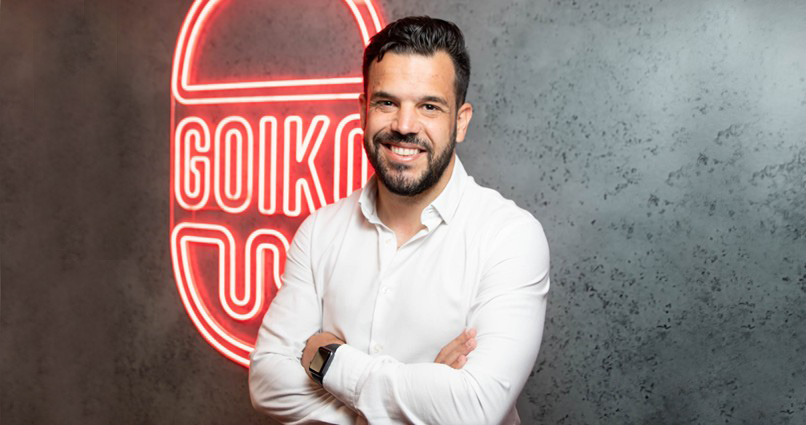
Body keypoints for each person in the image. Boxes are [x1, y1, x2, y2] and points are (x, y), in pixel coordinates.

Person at [249, 16, 550, 425]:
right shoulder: (319, 231)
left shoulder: (509, 237)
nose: (404, 126)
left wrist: (328, 359)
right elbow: (267, 383)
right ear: (363, 110)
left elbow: (474, 409)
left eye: (429, 106)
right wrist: (419, 400)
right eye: (387, 103)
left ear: (460, 121)